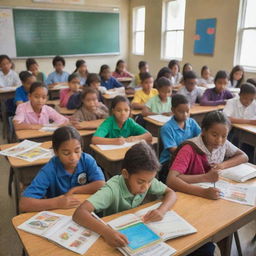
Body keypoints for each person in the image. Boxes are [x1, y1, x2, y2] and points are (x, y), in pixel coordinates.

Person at [73, 141, 176, 247]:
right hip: (113, 235)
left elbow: (171, 193)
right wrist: (106, 232)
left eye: (150, 181)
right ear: (126, 174)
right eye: (140, 182)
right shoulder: (112, 189)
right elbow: (80, 213)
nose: (145, 187)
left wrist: (161, 211)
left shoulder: (146, 179)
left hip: (132, 230)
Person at [19, 126, 105, 212]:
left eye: (77, 151)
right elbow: (24, 204)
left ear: (82, 148)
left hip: (83, 210)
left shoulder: (86, 160)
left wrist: (74, 190)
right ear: (56, 152)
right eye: (66, 153)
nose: (73, 157)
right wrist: (57, 203)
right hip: (59, 214)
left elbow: (100, 184)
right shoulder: (50, 169)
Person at [166, 111, 248, 198]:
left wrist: (221, 165)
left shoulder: (223, 144)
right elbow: (171, 180)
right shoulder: (189, 149)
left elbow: (243, 156)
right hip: (186, 193)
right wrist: (205, 181)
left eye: (224, 136)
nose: (219, 140)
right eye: (214, 135)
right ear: (203, 131)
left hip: (209, 189)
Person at [159, 94, 201, 182]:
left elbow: (202, 137)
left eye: (187, 111)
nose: (185, 114)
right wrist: (191, 153)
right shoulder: (166, 128)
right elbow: (173, 150)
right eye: (181, 111)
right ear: (173, 110)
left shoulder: (191, 122)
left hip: (188, 157)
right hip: (169, 160)